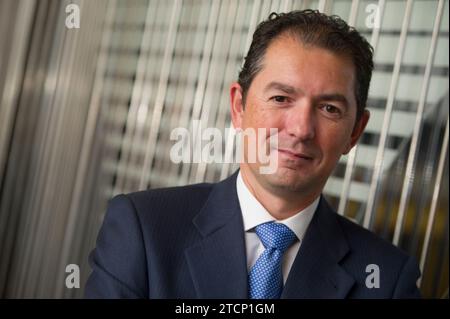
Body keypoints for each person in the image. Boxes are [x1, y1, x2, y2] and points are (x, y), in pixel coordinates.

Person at [85, 10, 421, 299]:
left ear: (355, 132)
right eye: (280, 98)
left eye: (329, 108)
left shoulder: (387, 279)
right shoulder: (143, 229)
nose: (301, 129)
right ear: (238, 106)